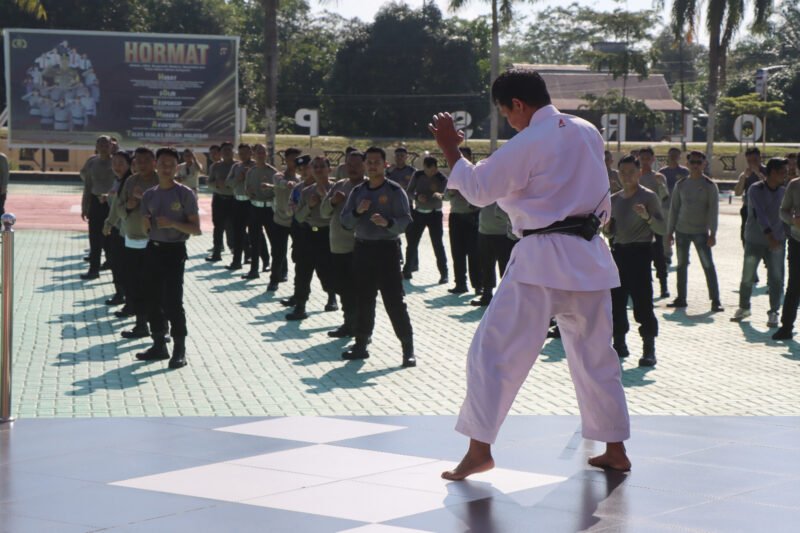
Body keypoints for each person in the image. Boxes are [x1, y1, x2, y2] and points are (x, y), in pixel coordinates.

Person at [430, 69, 631, 480]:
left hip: (542, 259)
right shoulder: (587, 131)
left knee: (492, 352)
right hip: (590, 257)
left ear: (518, 105)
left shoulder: (530, 140)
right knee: (597, 359)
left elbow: (479, 189)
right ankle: (615, 449)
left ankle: (479, 449)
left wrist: (452, 150)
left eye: (507, 113)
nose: (509, 121)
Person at [340, 146, 416, 367]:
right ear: (365, 165)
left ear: (386, 165)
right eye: (369, 162)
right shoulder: (357, 192)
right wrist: (357, 212)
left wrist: (388, 223)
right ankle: (361, 344)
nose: (372, 165)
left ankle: (407, 348)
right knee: (364, 299)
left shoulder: (394, 191)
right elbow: (345, 222)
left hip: (387, 251)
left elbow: (406, 221)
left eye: (377, 161)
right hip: (363, 249)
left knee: (394, 301)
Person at [136, 147, 201, 369]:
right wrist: (146, 224)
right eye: (162, 163)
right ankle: (158, 345)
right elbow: (146, 228)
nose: (166, 168)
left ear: (177, 167)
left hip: (174, 251)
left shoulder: (185, 194)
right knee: (151, 299)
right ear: (156, 164)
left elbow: (196, 229)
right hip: (153, 249)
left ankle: (179, 349)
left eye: (171, 164)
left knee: (173, 301)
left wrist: (173, 223)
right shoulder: (149, 195)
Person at [605, 155, 665, 367]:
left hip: (640, 254)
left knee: (643, 303)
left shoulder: (648, 197)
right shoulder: (614, 199)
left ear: (639, 172)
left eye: (631, 172)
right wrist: (607, 230)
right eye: (622, 172)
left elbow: (662, 229)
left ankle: (649, 349)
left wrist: (647, 217)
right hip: (618, 253)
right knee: (616, 302)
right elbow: (610, 232)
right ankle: (619, 344)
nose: (626, 176)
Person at [731, 158, 788, 328]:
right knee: (748, 276)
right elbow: (759, 214)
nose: (785, 175)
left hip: (777, 241)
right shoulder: (756, 189)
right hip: (755, 240)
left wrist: (780, 237)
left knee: (776, 278)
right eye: (782, 172)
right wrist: (769, 235)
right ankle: (744, 307)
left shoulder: (784, 191)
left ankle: (774, 311)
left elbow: (786, 215)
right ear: (771, 172)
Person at [666, 151, 723, 312]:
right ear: (688, 163)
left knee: (708, 265)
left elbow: (713, 211)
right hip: (682, 231)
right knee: (681, 265)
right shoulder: (681, 184)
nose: (696, 165)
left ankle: (715, 300)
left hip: (700, 233)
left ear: (704, 164)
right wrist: (669, 232)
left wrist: (713, 234)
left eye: (699, 162)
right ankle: (681, 298)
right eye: (693, 162)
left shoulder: (709, 186)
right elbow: (674, 209)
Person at [321, 150, 367, 337]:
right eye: (349, 165)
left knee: (361, 291)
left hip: (361, 247)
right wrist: (333, 201)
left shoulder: (369, 187)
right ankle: (348, 323)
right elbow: (324, 212)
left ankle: (363, 329)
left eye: (357, 165)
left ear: (364, 165)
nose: (353, 168)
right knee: (344, 289)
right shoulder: (339, 186)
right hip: (339, 247)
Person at [116, 147, 161, 335]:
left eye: (146, 160)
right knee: (136, 285)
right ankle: (141, 325)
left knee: (157, 286)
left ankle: (162, 328)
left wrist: (145, 200)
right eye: (138, 161)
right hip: (133, 240)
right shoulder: (130, 181)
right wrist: (129, 205)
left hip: (156, 241)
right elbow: (119, 209)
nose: (141, 164)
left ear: (154, 162)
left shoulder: (161, 182)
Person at [287, 155, 337, 320]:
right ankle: (300, 306)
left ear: (329, 169)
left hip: (328, 235)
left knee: (327, 271)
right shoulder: (306, 191)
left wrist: (325, 198)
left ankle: (332, 297)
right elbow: (299, 217)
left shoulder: (337, 190)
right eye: (315, 167)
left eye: (322, 166)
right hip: (308, 234)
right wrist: (309, 205)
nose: (318, 170)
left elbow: (339, 214)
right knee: (302, 271)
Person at [403, 156, 449, 284]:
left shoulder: (442, 178)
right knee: (412, 242)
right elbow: (409, 192)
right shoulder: (417, 175)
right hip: (419, 213)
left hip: (435, 214)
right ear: (424, 167)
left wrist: (440, 196)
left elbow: (447, 195)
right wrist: (417, 197)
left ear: (436, 168)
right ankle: (407, 269)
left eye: (433, 170)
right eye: (428, 170)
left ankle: (444, 273)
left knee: (437, 244)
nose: (431, 173)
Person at [280, 155, 315, 309]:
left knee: (326, 269)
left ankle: (331, 297)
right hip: (301, 232)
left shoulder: (324, 186)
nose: (303, 172)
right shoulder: (297, 189)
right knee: (301, 267)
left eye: (306, 168)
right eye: (300, 169)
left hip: (319, 233)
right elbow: (291, 209)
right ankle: (299, 299)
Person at [446, 146, 481, 295]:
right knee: (457, 252)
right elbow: (445, 197)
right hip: (456, 217)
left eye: (464, 157)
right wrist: (452, 192)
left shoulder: (477, 175)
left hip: (472, 217)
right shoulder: (454, 175)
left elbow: (484, 195)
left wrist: (476, 202)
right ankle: (460, 283)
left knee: (474, 253)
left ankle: (478, 285)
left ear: (470, 159)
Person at [80, 136, 116, 280]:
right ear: (96, 146)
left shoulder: (117, 162)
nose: (103, 147)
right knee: (94, 238)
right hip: (95, 202)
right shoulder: (92, 162)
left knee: (110, 239)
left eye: (106, 144)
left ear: (111, 146)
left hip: (112, 203)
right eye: (100, 144)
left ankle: (114, 268)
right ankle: (94, 269)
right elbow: (87, 186)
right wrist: (85, 206)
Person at [101, 151, 134, 307]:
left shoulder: (130, 182)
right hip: (116, 227)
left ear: (129, 164)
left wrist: (109, 222)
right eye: (114, 163)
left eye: (121, 163)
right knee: (116, 264)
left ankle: (129, 300)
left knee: (125, 266)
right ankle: (121, 294)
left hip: (126, 230)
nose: (117, 166)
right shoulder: (118, 180)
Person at [266, 148, 301, 292]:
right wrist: (289, 184)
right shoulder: (278, 176)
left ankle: (298, 287)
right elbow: (281, 183)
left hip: (297, 222)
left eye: (297, 159)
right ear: (285, 160)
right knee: (278, 253)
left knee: (300, 255)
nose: (295, 162)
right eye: (292, 158)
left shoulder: (301, 178)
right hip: (280, 222)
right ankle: (274, 280)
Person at [638, 146, 670, 298]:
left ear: (653, 159)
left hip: (655, 221)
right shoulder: (635, 177)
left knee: (659, 254)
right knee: (640, 255)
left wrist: (661, 185)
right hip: (638, 222)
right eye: (642, 158)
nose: (644, 162)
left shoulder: (658, 177)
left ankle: (663, 285)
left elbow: (665, 198)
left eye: (647, 159)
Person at [243, 144, 278, 280]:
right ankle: (254, 270)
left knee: (274, 241)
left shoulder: (273, 172)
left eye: (263, 152)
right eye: (258, 152)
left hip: (269, 209)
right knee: (254, 240)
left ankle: (279, 270)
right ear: (254, 154)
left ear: (267, 154)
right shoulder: (251, 172)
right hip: (254, 208)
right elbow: (247, 188)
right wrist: (249, 192)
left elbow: (278, 190)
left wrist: (270, 189)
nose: (261, 155)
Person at [471, 203, 516, 307]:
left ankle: (507, 298)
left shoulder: (503, 193)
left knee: (505, 269)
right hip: (484, 232)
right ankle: (486, 296)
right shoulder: (485, 194)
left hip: (502, 235)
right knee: (486, 266)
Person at [774, 164, 800, 340]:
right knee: (794, 286)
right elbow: (783, 210)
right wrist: (792, 220)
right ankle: (786, 327)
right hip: (797, 241)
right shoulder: (794, 185)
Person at [224, 143, 258, 270]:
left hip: (252, 203)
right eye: (241, 153)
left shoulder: (256, 166)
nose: (243, 155)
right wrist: (238, 178)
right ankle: (236, 261)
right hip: (238, 203)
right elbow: (228, 183)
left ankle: (259, 262)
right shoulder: (236, 167)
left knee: (255, 233)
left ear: (251, 153)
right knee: (238, 233)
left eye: (246, 152)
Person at [205, 142, 236, 262]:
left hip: (234, 200)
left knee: (234, 226)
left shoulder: (238, 166)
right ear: (221, 153)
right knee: (218, 226)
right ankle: (217, 252)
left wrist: (228, 184)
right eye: (224, 150)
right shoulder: (215, 166)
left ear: (233, 151)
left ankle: (236, 250)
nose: (227, 152)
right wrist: (217, 184)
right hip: (219, 199)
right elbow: (209, 182)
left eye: (229, 150)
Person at [734, 147, 767, 244]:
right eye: (749, 161)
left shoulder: (767, 171)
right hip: (748, 209)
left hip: (764, 209)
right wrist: (744, 178)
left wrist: (758, 173)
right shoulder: (745, 174)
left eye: (755, 160)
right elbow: (737, 192)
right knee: (746, 237)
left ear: (760, 158)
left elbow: (769, 186)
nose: (752, 163)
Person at [0, 151, 9, 216]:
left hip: (0, 188)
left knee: (0, 209)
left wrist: (3, 188)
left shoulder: (2, 158)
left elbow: (5, 174)